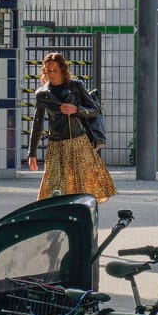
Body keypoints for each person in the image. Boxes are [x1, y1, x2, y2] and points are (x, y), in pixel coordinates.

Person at [26, 52, 116, 203]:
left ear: (62, 69)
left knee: (83, 186)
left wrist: (76, 109)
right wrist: (32, 153)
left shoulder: (76, 86)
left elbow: (95, 111)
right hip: (56, 145)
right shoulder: (42, 94)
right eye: (48, 71)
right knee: (53, 188)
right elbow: (37, 124)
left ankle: (84, 214)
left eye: (55, 70)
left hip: (78, 143)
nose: (51, 74)